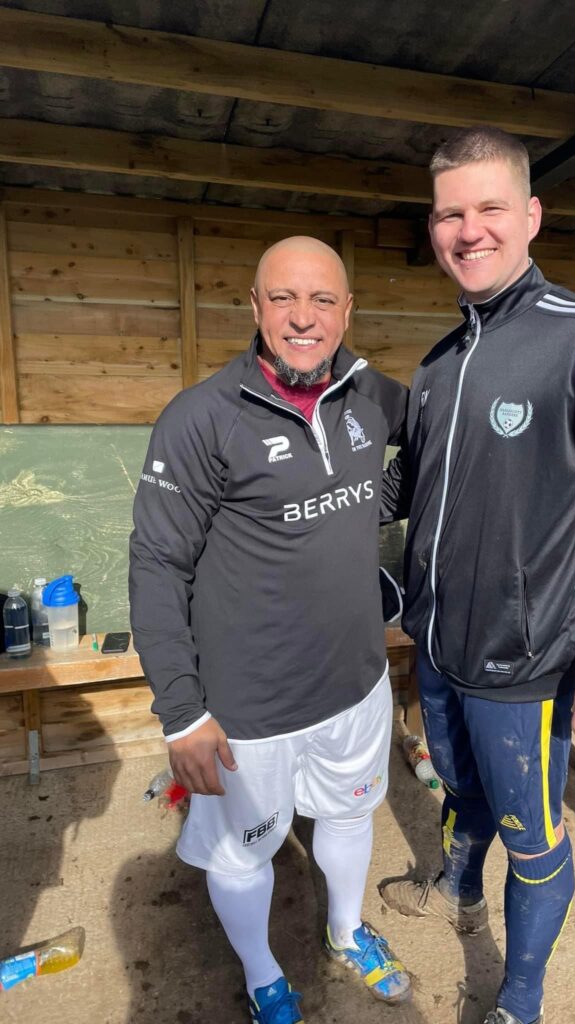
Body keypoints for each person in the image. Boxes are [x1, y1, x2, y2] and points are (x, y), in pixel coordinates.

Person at [379, 127, 575, 1024]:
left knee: (536, 837)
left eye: (488, 209)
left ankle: (520, 997)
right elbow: (407, 488)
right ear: (434, 227)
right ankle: (456, 882)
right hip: (436, 649)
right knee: (459, 788)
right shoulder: (439, 364)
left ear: (530, 217)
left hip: (527, 665)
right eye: (449, 213)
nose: (468, 230)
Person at [129, 236, 411, 1024]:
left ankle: (347, 931)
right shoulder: (200, 419)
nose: (302, 318)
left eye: (322, 300)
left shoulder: (372, 394)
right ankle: (263, 976)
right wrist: (182, 712)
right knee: (242, 850)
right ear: (253, 308)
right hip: (247, 706)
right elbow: (157, 565)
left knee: (350, 816)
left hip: (355, 683)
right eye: (283, 298)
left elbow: (436, 450)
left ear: (347, 311)